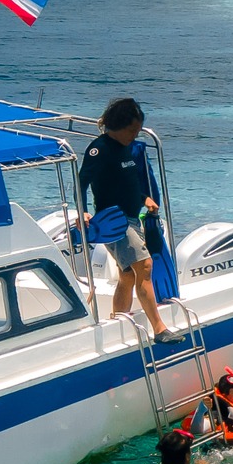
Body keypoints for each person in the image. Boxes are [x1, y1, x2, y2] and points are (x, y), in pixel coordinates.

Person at [79, 97, 178, 340]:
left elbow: (127, 182)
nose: (135, 135)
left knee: (127, 274)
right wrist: (81, 211)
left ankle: (118, 322)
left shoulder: (127, 147)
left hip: (134, 217)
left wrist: (144, 198)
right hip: (114, 220)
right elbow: (80, 183)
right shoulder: (98, 150)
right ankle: (159, 329)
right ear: (118, 126)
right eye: (132, 130)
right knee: (144, 266)